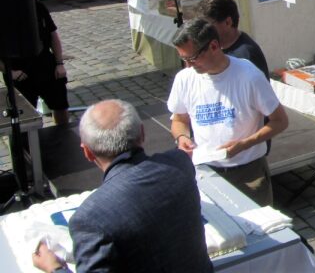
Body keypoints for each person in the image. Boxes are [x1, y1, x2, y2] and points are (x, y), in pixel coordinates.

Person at [32, 99, 212, 273]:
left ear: (87, 152)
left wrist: (55, 268)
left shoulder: (89, 219)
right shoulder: (180, 163)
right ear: (142, 133)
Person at [168, 18, 288, 206]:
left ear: (214, 46)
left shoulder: (249, 75)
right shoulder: (184, 79)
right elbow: (179, 119)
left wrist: (244, 144)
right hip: (205, 171)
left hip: (248, 173)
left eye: (192, 58)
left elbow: (280, 121)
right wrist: (181, 138)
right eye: (184, 59)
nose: (188, 66)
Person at [10, 0, 69, 125]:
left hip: (45, 63)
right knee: (22, 115)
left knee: (60, 104)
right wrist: (10, 71)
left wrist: (59, 64)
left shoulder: (37, 6)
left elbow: (53, 35)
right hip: (18, 69)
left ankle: (62, 134)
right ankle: (25, 143)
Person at [197, 0, 269, 78]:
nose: (203, 31)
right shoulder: (216, 47)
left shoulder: (245, 56)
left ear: (228, 22)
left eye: (207, 26)